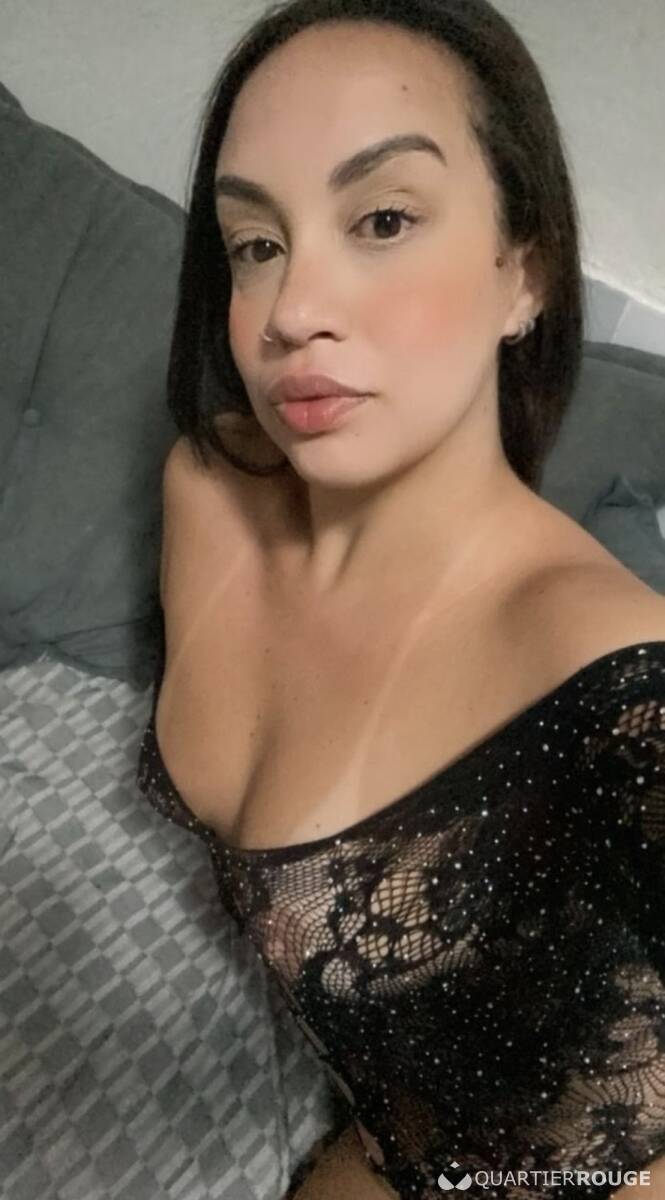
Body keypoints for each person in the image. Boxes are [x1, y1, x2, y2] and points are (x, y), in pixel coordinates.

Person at [136, 1, 665, 1196]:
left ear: (523, 272)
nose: (289, 311)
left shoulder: (620, 692)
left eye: (381, 219)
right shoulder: (208, 486)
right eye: (253, 243)